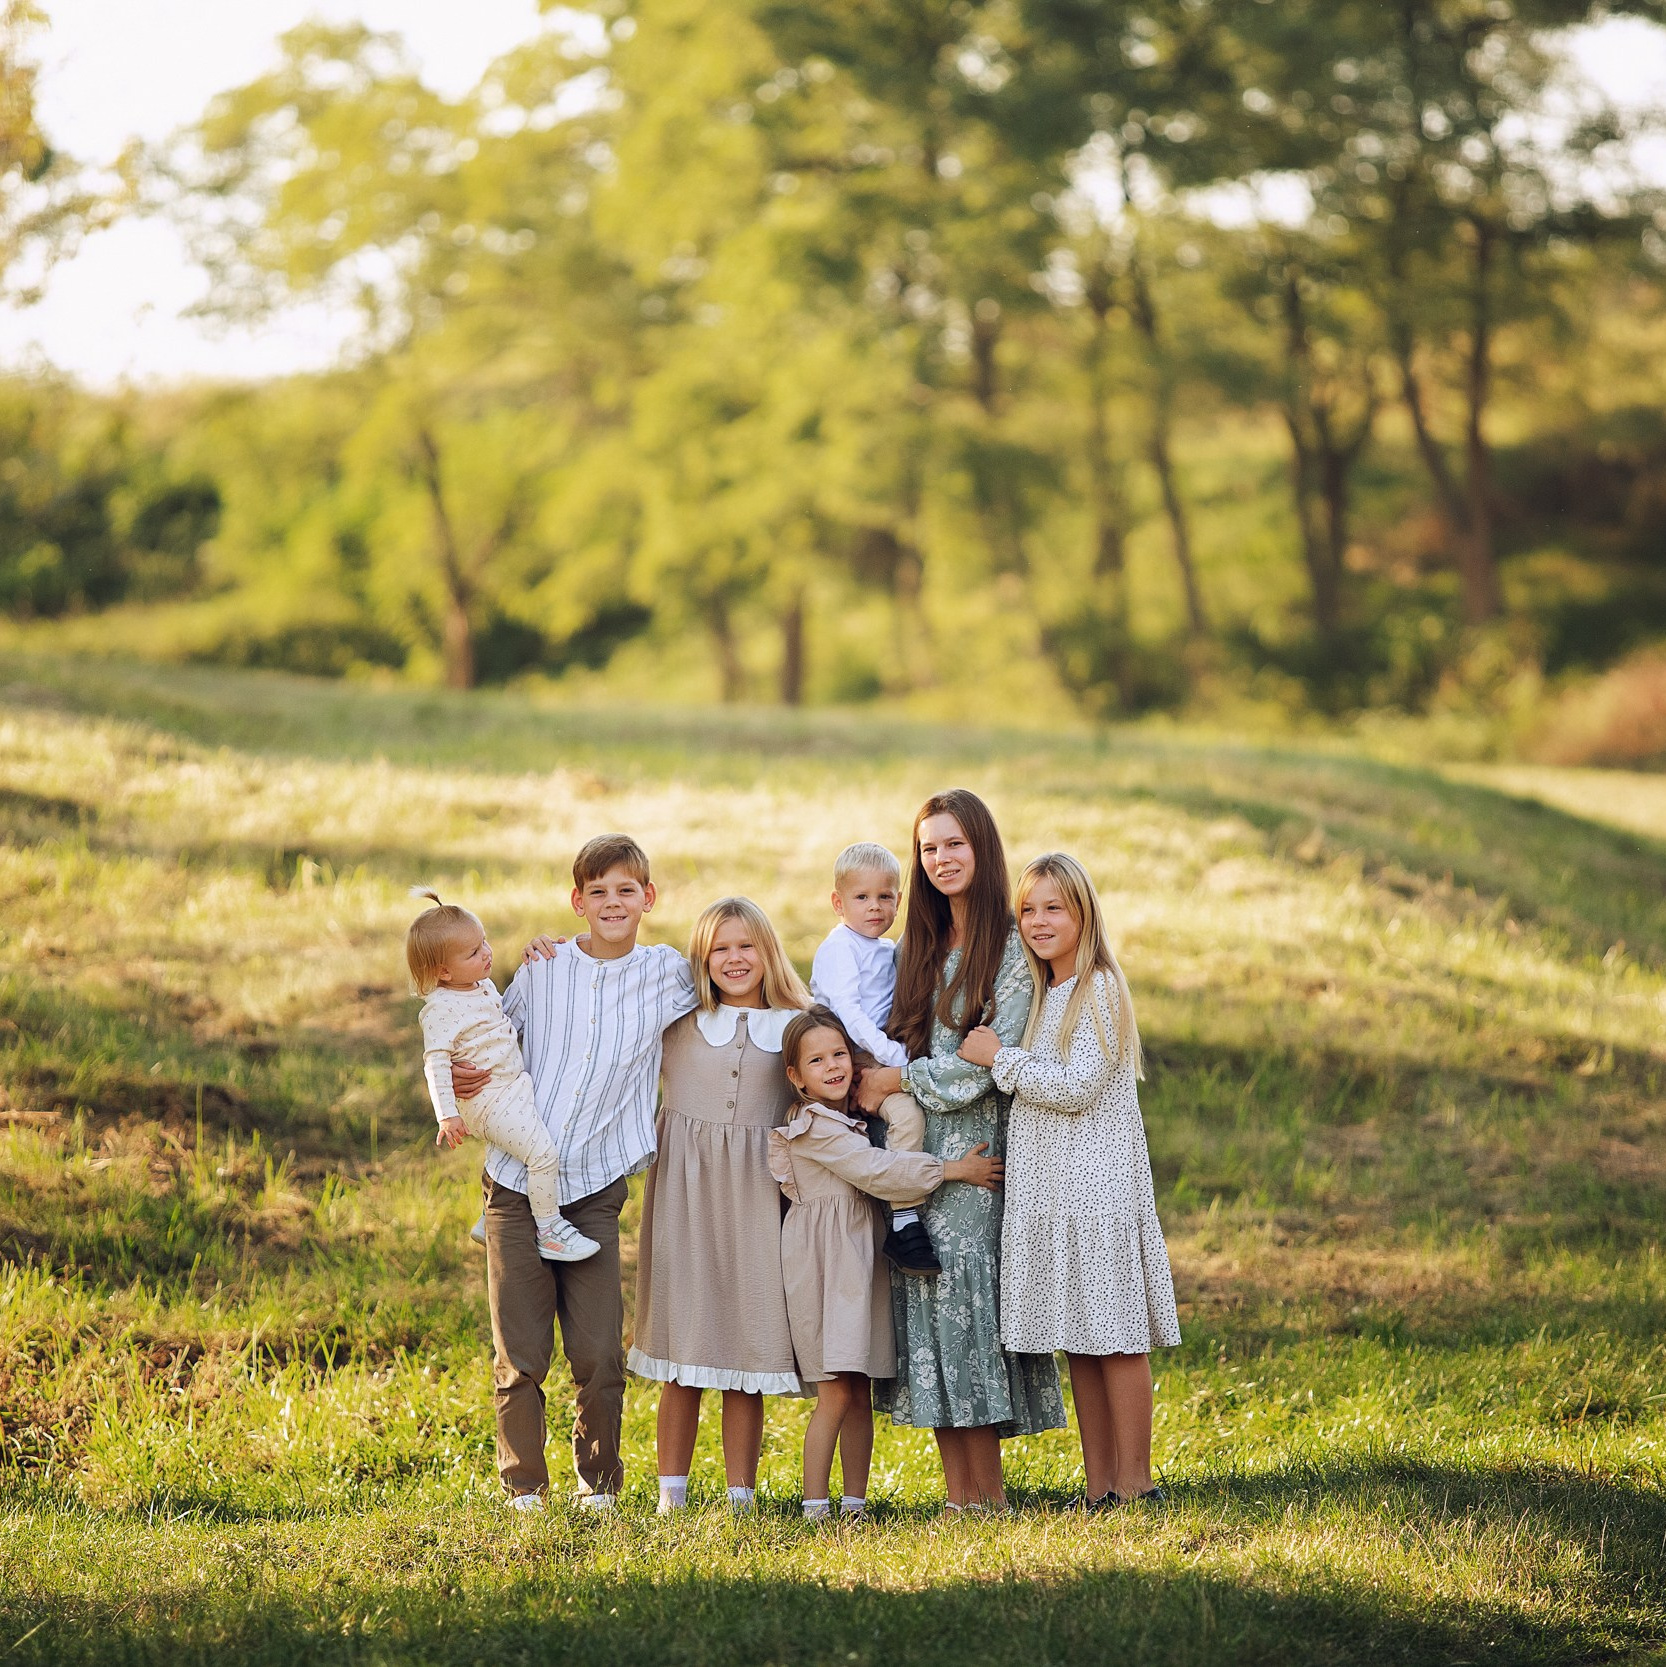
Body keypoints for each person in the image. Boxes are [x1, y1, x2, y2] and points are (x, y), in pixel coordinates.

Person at [450, 833, 696, 1513]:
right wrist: (459, 1076)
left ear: (648, 898)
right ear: (577, 901)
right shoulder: (544, 968)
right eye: (598, 891)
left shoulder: (669, 973)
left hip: (593, 1192)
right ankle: (524, 1488)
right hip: (515, 1184)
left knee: (599, 1355)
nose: (612, 902)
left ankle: (600, 1486)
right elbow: (489, 1041)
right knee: (522, 1352)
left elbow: (736, 995)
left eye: (626, 890)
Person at [857, 788, 1064, 1512]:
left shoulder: (1010, 946)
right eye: (928, 847)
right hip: (913, 1151)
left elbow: (985, 1065)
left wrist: (900, 1076)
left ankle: (992, 1495)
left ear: (982, 848)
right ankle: (957, 1496)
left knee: (966, 1297)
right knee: (926, 1297)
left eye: (954, 844)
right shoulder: (914, 947)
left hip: (981, 1147)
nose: (940, 859)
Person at [960, 853, 1180, 1510]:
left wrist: (1001, 1057)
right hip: (1053, 1192)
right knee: (1080, 1339)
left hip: (1099, 1188)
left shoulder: (1100, 988)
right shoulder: (1043, 997)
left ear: (1083, 912)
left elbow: (1077, 1087)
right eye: (1028, 909)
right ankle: (1099, 1484)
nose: (1039, 920)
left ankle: (1137, 1482)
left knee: (1114, 1335)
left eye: (1054, 906)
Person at [771, 1005, 1004, 1521]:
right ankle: (814, 1505)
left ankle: (854, 1502)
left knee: (859, 1388)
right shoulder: (811, 1124)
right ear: (795, 1076)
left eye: (839, 1055)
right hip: (826, 1267)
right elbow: (875, 1171)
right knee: (834, 1390)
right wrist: (955, 1170)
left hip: (859, 1261)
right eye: (817, 1060)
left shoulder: (850, 1118)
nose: (833, 1067)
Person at [629, 897, 809, 1516]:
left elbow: (840, 1079)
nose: (734, 959)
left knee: (748, 1341)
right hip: (685, 1195)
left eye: (746, 946)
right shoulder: (675, 1020)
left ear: (768, 952)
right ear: (702, 959)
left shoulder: (795, 1023)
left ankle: (742, 1497)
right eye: (720, 949)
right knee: (684, 1343)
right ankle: (669, 1496)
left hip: (762, 1195)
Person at [408, 889, 599, 1264]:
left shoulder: (481, 986)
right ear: (443, 971)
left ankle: (488, 1215)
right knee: (542, 1154)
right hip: (487, 1100)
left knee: (522, 1139)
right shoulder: (441, 1009)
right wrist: (447, 1114)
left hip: (510, 1087)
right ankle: (549, 1229)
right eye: (474, 952)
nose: (487, 953)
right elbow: (436, 1062)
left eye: (485, 943)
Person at [809, 842, 938, 1274]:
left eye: (885, 897)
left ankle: (903, 1220)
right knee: (858, 1138)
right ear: (838, 903)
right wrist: (894, 1058)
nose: (875, 907)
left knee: (907, 1116)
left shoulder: (886, 950)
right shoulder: (839, 948)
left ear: (899, 901)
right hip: (839, 1055)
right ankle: (891, 1219)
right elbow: (850, 1012)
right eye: (861, 898)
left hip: (872, 1054)